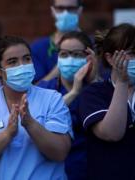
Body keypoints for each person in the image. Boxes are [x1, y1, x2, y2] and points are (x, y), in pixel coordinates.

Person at [0, 36, 72, 179]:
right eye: (12, 62)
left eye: (27, 59)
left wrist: (30, 124)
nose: (22, 65)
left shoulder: (52, 99)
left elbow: (60, 152)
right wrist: (7, 134)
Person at [38, 31, 99, 180]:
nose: (70, 59)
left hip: (90, 169)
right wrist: (74, 92)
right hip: (53, 170)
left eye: (77, 54)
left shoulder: (98, 88)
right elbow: (38, 122)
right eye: (64, 54)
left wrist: (94, 81)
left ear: (89, 58)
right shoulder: (45, 89)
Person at [78, 23, 135, 180]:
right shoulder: (94, 93)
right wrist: (122, 83)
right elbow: (112, 133)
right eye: (130, 53)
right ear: (110, 58)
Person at [31, 0, 83, 82]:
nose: (65, 13)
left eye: (71, 8)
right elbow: (34, 90)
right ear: (53, 11)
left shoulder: (93, 46)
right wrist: (61, 67)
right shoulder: (38, 48)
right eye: (60, 8)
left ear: (79, 10)